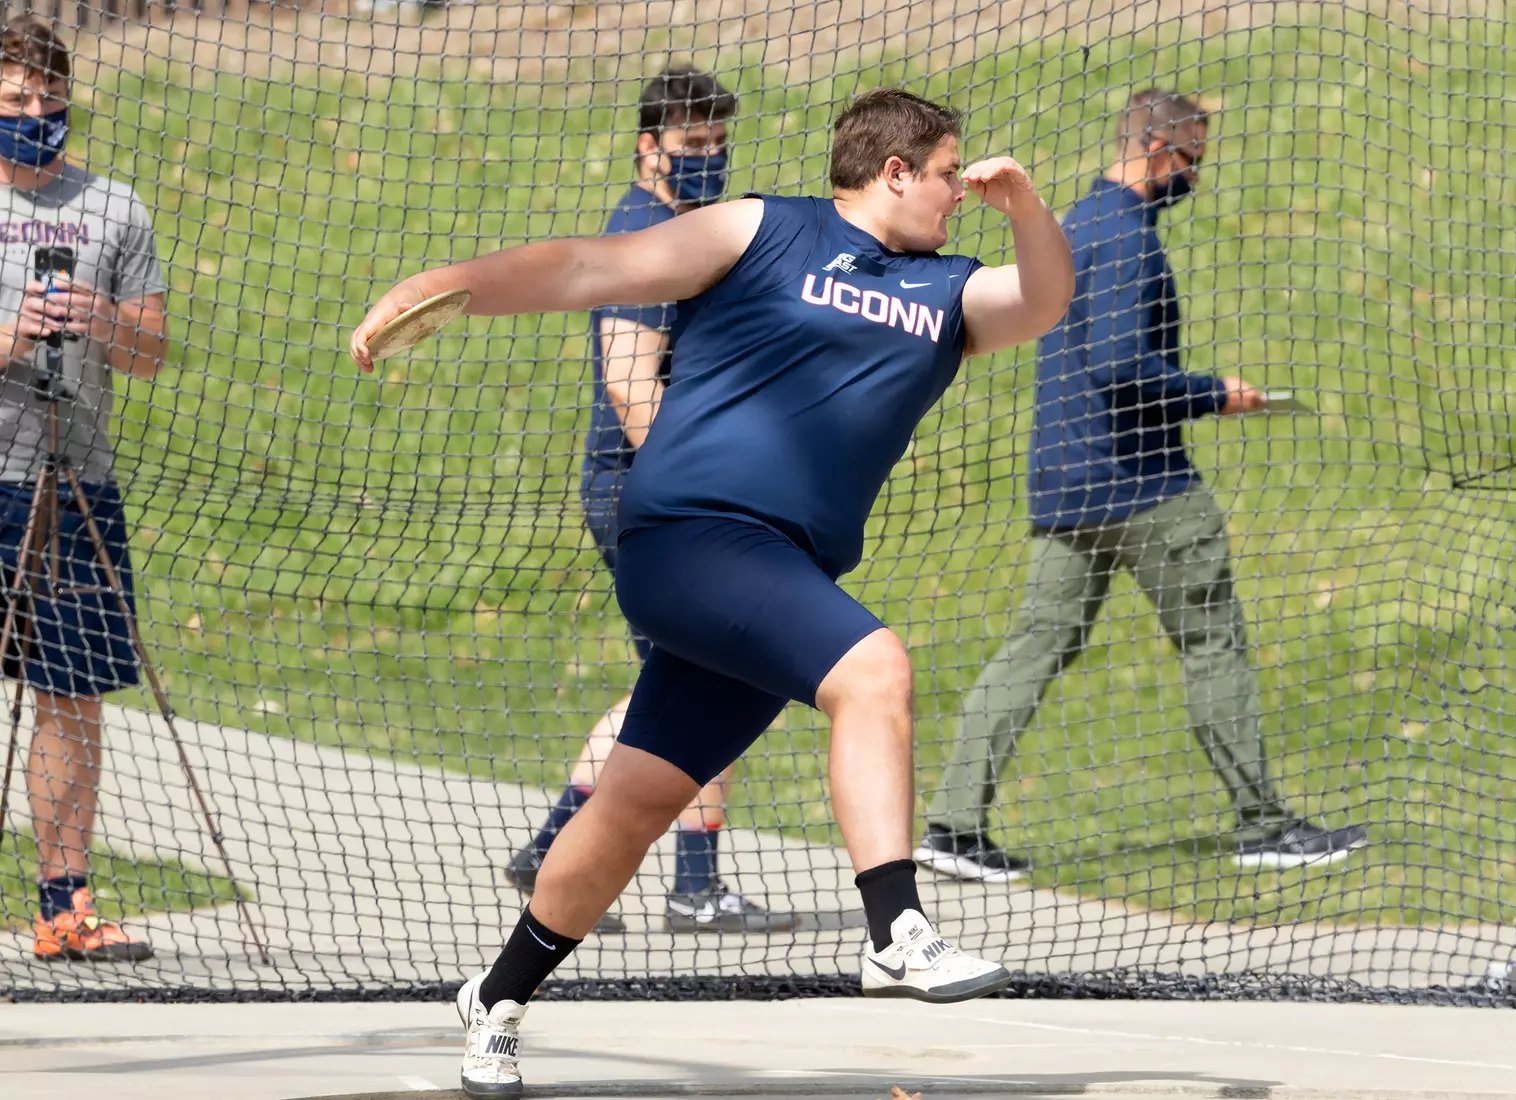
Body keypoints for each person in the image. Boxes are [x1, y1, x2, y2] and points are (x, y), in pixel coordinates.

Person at [352, 87, 1074, 1097]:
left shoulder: (947, 293)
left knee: (636, 800)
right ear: (896, 170)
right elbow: (587, 266)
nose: (959, 193)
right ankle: (895, 928)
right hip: (688, 534)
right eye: (950, 174)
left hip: (783, 570)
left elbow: (1042, 303)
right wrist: (447, 279)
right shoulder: (762, 228)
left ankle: (498, 992)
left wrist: (1028, 207)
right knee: (875, 668)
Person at [917, 88, 1367, 882]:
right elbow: (1122, 367)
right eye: (1192, 160)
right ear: (1161, 152)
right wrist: (1214, 393)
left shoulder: (1074, 226)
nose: (1195, 176)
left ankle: (952, 828)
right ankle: (1264, 825)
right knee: (1213, 643)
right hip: (1145, 487)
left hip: (1066, 485)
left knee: (1033, 648)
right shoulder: (1127, 240)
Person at [502, 66, 793, 936]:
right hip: (648, 491)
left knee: (685, 678)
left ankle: (552, 850)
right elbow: (631, 390)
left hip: (657, 490)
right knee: (722, 674)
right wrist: (710, 492)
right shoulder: (640, 235)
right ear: (646, 146)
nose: (708, 158)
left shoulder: (678, 228)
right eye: (690, 144)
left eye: (716, 143)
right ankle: (693, 890)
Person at [0, 17, 169, 961]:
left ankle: (63, 905)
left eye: (47, 98)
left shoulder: (114, 209)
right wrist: (14, 334)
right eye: (15, 100)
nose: (35, 114)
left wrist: (100, 315)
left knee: (71, 696)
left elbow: (151, 354)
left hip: (72, 486)